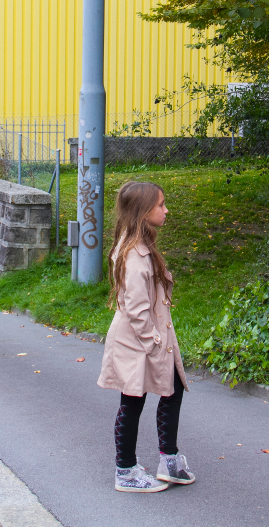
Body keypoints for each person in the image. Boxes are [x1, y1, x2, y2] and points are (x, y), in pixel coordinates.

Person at [98, 181, 194, 493]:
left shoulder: (140, 245)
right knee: (132, 402)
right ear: (143, 211)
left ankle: (169, 460)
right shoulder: (135, 256)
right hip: (137, 341)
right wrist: (155, 343)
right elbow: (138, 311)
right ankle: (126, 471)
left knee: (171, 389)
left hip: (146, 339)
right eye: (160, 205)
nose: (166, 210)